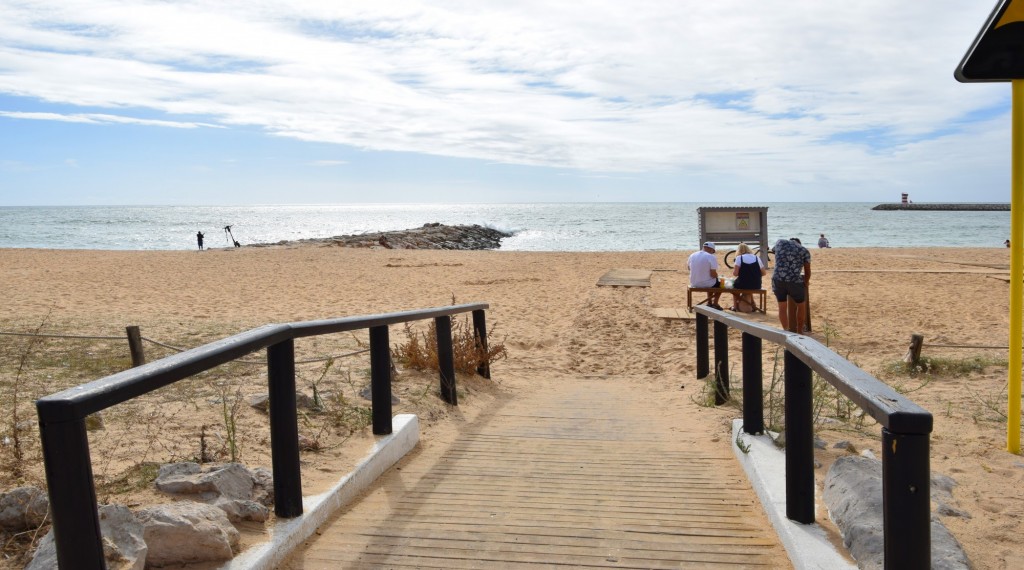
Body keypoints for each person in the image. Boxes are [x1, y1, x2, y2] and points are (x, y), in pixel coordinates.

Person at [771, 237, 811, 333]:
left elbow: (773, 251)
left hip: (777, 279)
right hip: (794, 280)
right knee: (801, 305)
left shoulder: (780, 242)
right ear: (799, 243)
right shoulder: (804, 250)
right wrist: (805, 282)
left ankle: (786, 331)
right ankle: (799, 331)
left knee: (782, 306)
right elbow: (807, 271)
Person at [731, 242, 766, 312]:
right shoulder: (756, 257)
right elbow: (764, 273)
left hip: (743, 284)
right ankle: (752, 304)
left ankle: (735, 306)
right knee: (750, 283)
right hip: (756, 284)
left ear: (739, 251)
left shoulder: (739, 258)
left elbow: (735, 273)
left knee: (734, 289)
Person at [688, 242, 723, 310]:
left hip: (693, 282)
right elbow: (713, 274)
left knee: (710, 281)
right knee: (719, 284)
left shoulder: (692, 255)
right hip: (705, 283)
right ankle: (715, 303)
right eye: (713, 251)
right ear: (711, 249)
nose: (713, 253)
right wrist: (717, 276)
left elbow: (689, 268)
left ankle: (709, 302)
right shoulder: (711, 257)